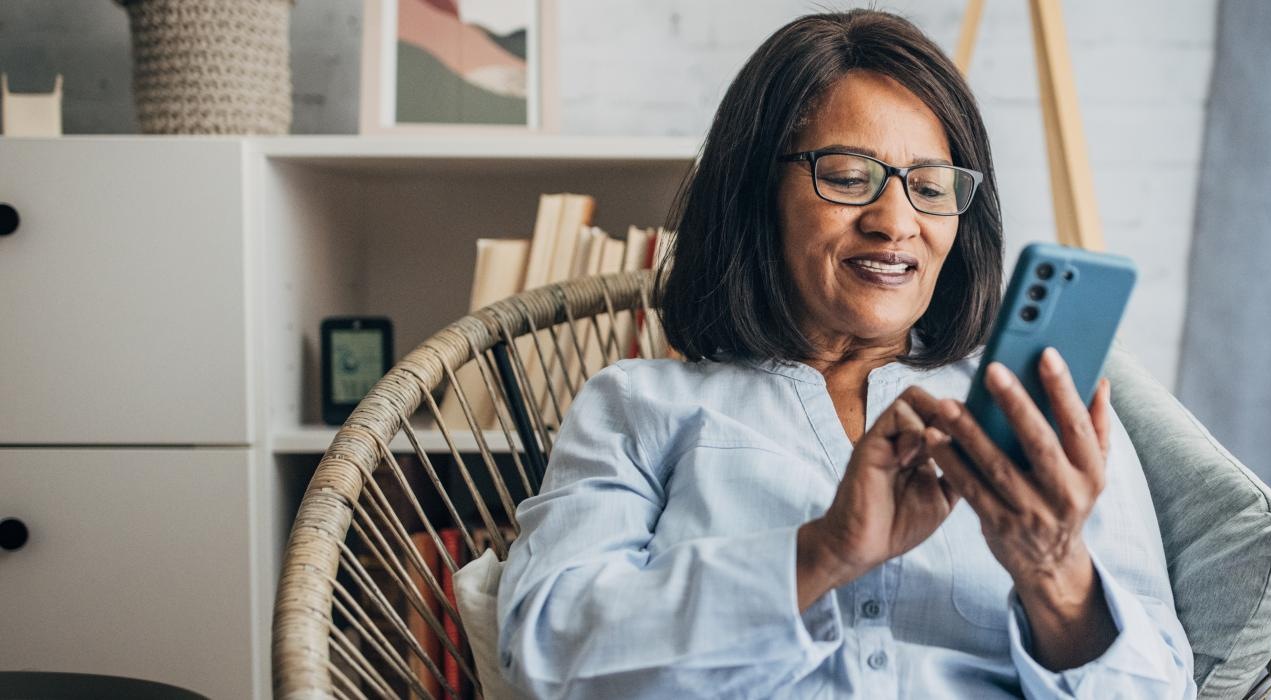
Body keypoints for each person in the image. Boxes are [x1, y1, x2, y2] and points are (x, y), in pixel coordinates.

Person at [498, 9, 1196, 698]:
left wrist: (1054, 571)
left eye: (929, 187)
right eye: (848, 176)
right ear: (756, 193)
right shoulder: (639, 406)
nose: (896, 222)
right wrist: (823, 551)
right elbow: (547, 653)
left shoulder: (1040, 415)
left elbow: (1164, 692)